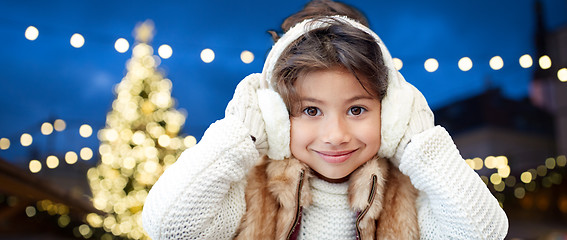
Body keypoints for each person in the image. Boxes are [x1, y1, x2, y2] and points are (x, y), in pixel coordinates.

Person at [142, 0, 509, 239]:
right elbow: (170, 227)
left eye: (357, 109)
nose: (335, 135)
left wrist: (421, 144)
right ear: (274, 118)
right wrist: (239, 134)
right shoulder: (249, 189)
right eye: (311, 110)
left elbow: (484, 233)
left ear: (393, 112)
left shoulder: (411, 194)